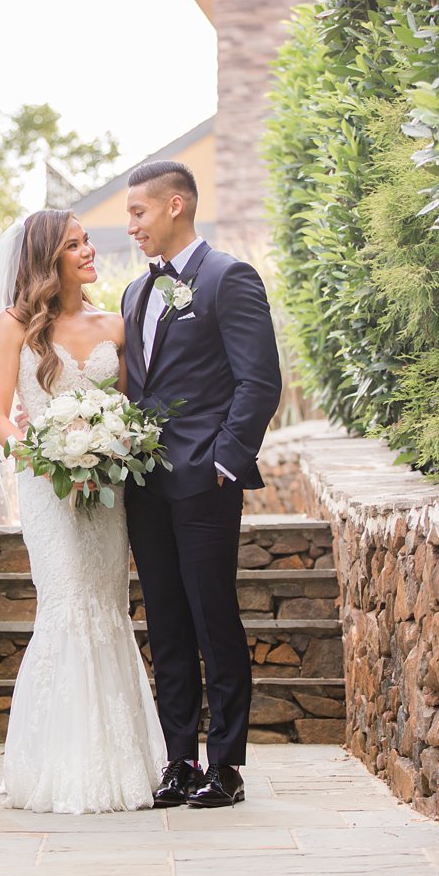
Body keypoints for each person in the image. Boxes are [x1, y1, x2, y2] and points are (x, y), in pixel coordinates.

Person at [0, 208, 166, 814]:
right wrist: (46, 453)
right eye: (75, 245)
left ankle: (120, 763)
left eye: (87, 243)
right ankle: (57, 766)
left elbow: (133, 410)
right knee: (66, 605)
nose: (89, 252)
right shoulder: (15, 326)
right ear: (47, 259)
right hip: (47, 487)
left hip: (108, 493)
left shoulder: (116, 323)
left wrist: (111, 447)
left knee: (106, 606)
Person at [120, 160, 281, 809]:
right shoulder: (134, 293)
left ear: (177, 205)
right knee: (165, 621)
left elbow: (258, 380)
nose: (129, 224)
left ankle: (228, 764)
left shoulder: (227, 277)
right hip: (145, 485)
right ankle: (180, 757)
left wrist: (225, 460)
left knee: (214, 615)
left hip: (205, 481)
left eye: (138, 212)